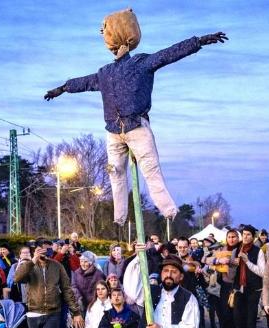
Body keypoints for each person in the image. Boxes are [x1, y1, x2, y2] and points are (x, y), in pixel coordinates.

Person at [45, 7, 227, 226]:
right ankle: (122, 217)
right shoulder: (109, 71)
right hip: (116, 130)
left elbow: (170, 53)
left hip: (131, 127)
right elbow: (84, 82)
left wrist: (198, 41)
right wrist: (63, 88)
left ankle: (163, 210)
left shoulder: (133, 65)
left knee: (144, 170)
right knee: (122, 172)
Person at [231, 225, 265, 328]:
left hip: (253, 290)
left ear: (253, 236)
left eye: (248, 235)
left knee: (251, 321)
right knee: (238, 318)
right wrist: (233, 264)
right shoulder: (236, 249)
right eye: (243, 234)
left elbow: (262, 272)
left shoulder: (258, 251)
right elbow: (230, 270)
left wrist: (247, 261)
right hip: (239, 289)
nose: (245, 237)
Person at [205, 229, 240, 328]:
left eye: (234, 236)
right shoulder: (221, 249)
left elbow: (240, 262)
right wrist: (217, 261)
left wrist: (231, 261)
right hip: (224, 285)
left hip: (239, 285)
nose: (232, 239)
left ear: (238, 237)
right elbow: (206, 260)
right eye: (229, 237)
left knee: (238, 314)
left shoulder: (242, 249)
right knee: (225, 315)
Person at [6, 247, 38, 328]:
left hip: (33, 307)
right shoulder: (14, 267)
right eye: (23, 252)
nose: (25, 254)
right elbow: (9, 283)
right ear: (19, 255)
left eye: (27, 252)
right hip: (19, 307)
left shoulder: (36, 266)